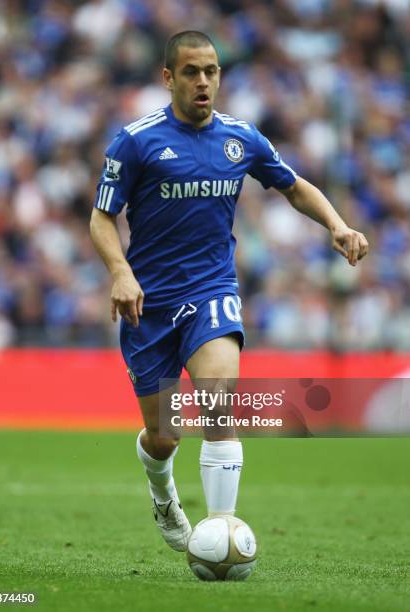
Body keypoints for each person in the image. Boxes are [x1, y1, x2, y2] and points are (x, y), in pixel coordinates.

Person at [89, 31, 369, 552]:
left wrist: (336, 224)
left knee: (219, 407)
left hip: (212, 288)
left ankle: (222, 528)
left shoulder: (241, 138)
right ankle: (162, 489)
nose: (203, 82)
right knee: (164, 436)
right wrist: (120, 271)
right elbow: (101, 217)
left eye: (212, 71)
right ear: (168, 78)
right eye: (192, 72)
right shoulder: (136, 141)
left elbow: (293, 185)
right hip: (148, 304)